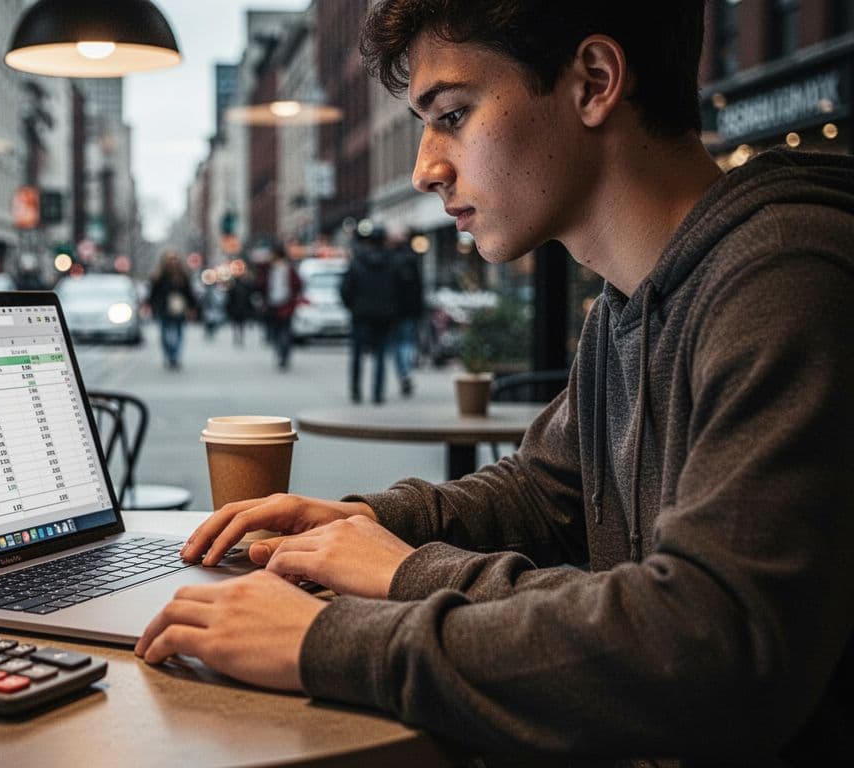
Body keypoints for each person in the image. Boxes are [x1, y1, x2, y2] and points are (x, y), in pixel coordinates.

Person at [135, 1, 854, 761]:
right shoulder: (631, 300)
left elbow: (707, 647)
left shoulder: (785, 277)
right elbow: (544, 493)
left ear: (594, 81)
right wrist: (357, 526)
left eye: (452, 113)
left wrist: (343, 627)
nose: (424, 168)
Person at [341, 225, 403, 404]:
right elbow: (399, 290)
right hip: (384, 315)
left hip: (361, 315)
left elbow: (345, 289)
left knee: (357, 355)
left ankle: (355, 391)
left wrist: (353, 307)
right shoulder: (392, 262)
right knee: (381, 356)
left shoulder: (357, 262)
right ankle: (377, 393)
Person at [148, 249, 194, 370]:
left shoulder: (182, 275)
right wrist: (151, 306)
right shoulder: (158, 276)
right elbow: (153, 293)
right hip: (163, 308)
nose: (172, 262)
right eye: (170, 259)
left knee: (179, 333)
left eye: (174, 259)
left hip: (179, 308)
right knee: (165, 334)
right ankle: (168, 354)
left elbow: (189, 293)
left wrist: (192, 307)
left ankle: (175, 356)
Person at [260, 243, 301, 370]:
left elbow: (297, 284)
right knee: (278, 331)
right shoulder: (269, 269)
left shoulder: (288, 269)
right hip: (273, 304)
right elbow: (262, 285)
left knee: (284, 331)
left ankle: (283, 354)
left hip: (286, 304)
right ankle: (281, 352)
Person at [391, 239, 424, 397]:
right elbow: (419, 288)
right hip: (410, 311)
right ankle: (407, 371)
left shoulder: (390, 262)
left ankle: (402, 372)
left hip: (394, 311)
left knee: (397, 344)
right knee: (408, 342)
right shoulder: (412, 262)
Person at [225, 272, 256, 347]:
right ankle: (240, 338)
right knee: (241, 325)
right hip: (241, 309)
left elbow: (229, 300)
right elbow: (248, 300)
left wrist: (229, 309)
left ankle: (237, 337)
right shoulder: (246, 288)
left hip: (236, 309)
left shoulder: (233, 288)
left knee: (236, 325)